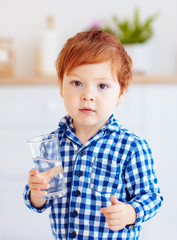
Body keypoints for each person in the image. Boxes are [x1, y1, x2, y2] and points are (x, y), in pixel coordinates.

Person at [24, 29, 163, 239]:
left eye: (102, 86)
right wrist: (36, 192)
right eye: (77, 83)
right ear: (61, 86)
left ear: (121, 93)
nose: (88, 95)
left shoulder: (131, 146)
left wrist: (130, 212)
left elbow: (152, 197)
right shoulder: (51, 145)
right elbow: (41, 203)